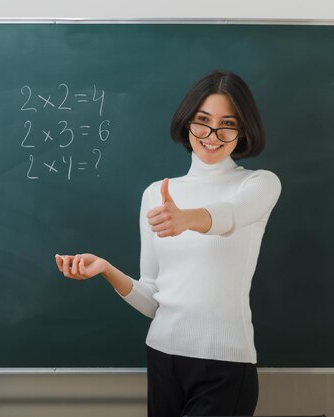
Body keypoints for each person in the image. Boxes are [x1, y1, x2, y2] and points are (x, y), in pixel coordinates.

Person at [55, 70, 281, 416]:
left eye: (227, 124)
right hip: (162, 356)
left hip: (224, 365)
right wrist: (106, 270)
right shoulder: (156, 194)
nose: (212, 135)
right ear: (187, 122)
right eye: (203, 121)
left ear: (243, 130)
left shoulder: (259, 184)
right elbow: (151, 301)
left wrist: (186, 219)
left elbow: (230, 215)